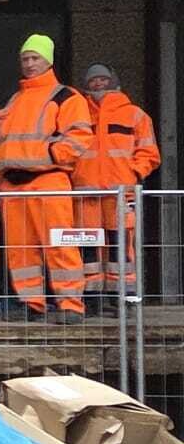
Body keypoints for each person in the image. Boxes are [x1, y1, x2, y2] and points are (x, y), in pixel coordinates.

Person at [0, 34, 93, 321]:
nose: (30, 64)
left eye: (35, 58)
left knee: (60, 245)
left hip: (49, 181)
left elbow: (78, 140)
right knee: (21, 250)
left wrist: (44, 157)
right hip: (13, 185)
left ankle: (71, 304)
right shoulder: (12, 100)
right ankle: (30, 302)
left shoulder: (66, 97)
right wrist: (0, 168)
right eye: (25, 59)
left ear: (49, 60)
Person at [74, 62, 160, 308]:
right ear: (86, 84)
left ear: (113, 81)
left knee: (120, 244)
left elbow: (149, 154)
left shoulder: (135, 114)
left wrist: (132, 173)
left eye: (103, 78)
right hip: (86, 191)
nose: (98, 83)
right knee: (87, 245)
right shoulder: (79, 113)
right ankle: (92, 297)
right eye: (93, 80)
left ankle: (122, 297)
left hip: (120, 192)